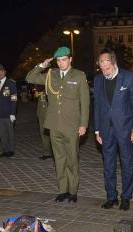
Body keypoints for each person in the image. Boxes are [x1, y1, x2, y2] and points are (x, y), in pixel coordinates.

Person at [26, 47, 90, 203]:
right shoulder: (50, 75)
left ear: (70, 59)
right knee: (59, 159)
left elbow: (85, 102)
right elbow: (29, 78)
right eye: (59, 61)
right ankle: (63, 190)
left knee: (72, 158)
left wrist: (83, 124)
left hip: (72, 125)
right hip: (54, 124)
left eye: (64, 60)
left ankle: (73, 191)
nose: (61, 63)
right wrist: (42, 65)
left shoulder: (79, 75)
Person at [94, 48, 133, 211]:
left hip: (126, 128)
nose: (104, 71)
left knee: (127, 162)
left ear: (114, 63)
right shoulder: (98, 80)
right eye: (102, 68)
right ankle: (111, 196)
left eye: (107, 67)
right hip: (106, 130)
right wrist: (97, 130)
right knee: (108, 164)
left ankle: (126, 197)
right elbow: (98, 106)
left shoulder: (128, 77)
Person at [0, 64, 17, 157]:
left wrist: (13, 113)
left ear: (4, 72)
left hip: (8, 113)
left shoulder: (11, 83)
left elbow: (14, 99)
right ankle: (5, 150)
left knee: (10, 133)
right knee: (2, 133)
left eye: (1, 71)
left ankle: (11, 150)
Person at [33, 84, 53, 160]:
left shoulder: (52, 84)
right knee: (43, 133)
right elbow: (36, 95)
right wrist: (39, 92)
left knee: (52, 134)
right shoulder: (40, 85)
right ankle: (47, 152)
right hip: (41, 112)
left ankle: (55, 152)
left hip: (50, 113)